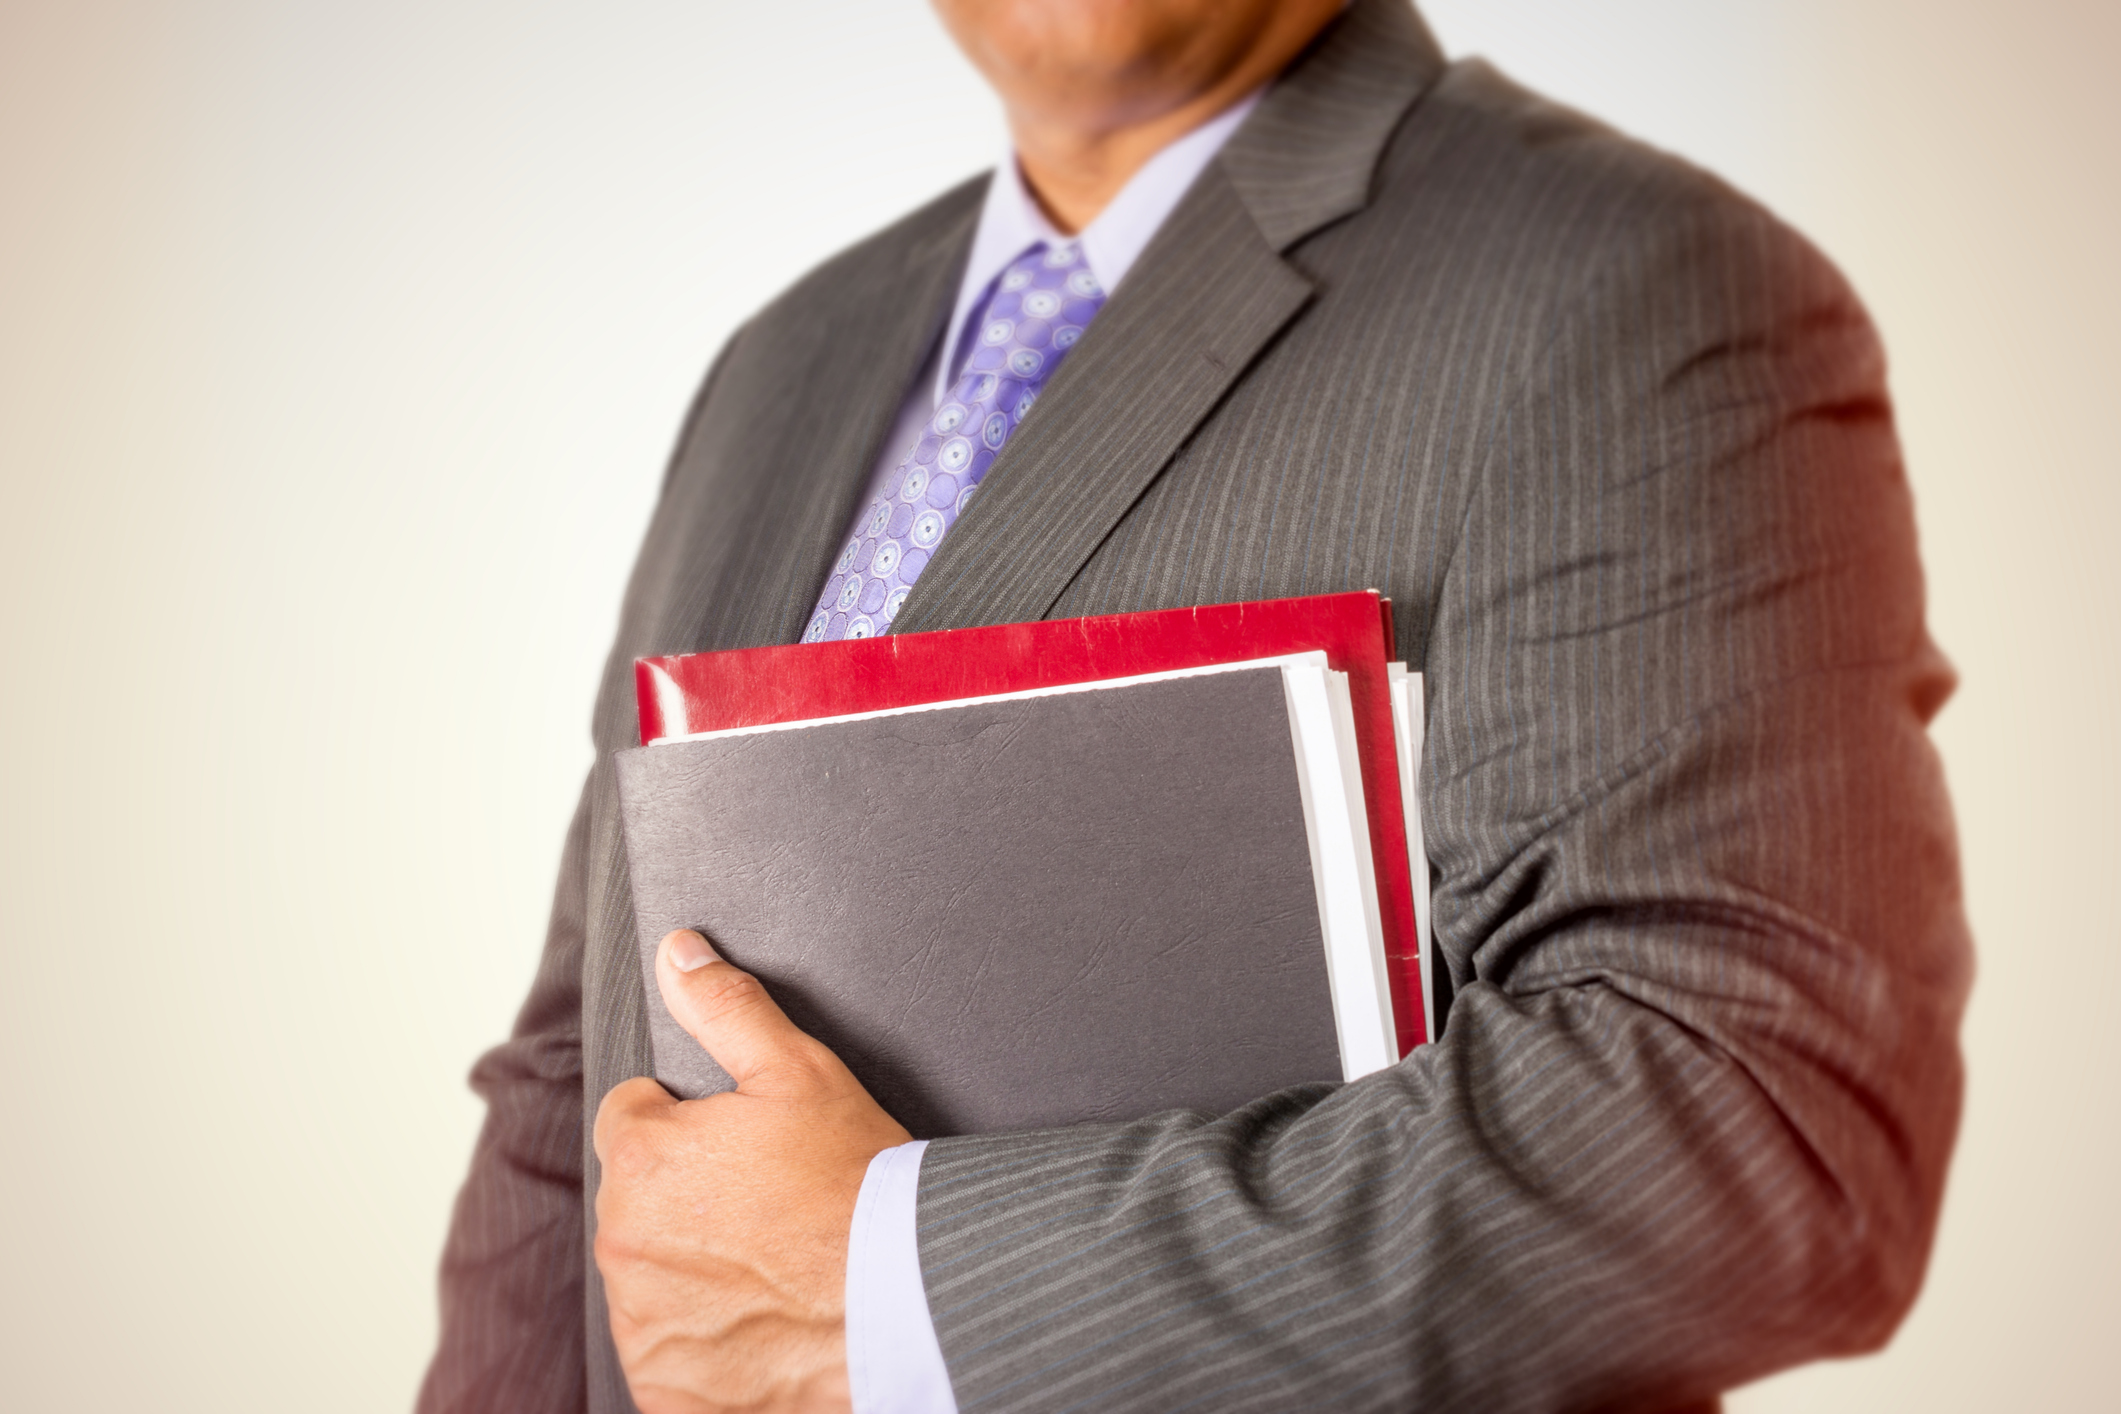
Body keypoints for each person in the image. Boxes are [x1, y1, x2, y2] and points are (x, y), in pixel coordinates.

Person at [419, 0, 1972, 1410]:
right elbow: (581, 1066)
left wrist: (898, 1283)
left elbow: (1762, 1121)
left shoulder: (1629, 288)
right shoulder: (779, 365)